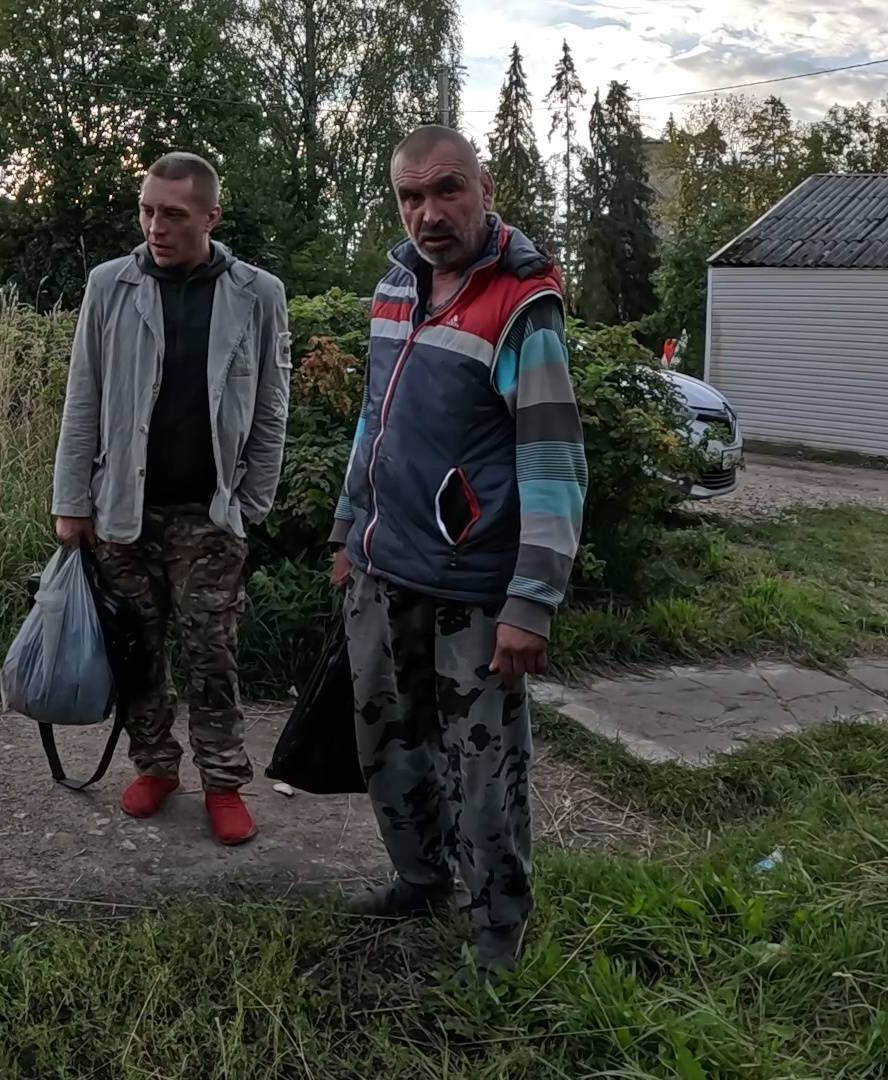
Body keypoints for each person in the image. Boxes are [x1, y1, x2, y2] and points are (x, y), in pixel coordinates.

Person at [329, 126, 587, 972]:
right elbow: (374, 419)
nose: (429, 214)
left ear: (486, 187)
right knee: (389, 744)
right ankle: (420, 877)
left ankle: (498, 927)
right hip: (383, 566)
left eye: (447, 190)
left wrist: (532, 600)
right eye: (411, 197)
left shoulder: (521, 306)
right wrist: (348, 527)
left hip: (472, 587)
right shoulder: (395, 285)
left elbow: (553, 460)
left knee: (484, 769)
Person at [51, 151, 292, 846]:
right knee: (137, 650)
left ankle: (223, 781)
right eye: (147, 210)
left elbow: (272, 405)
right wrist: (72, 501)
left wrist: (251, 504)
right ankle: (155, 765)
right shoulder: (110, 285)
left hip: (210, 513)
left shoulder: (258, 294)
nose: (156, 226)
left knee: (212, 652)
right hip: (121, 511)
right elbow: (83, 397)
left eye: (174, 214)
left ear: (211, 217)